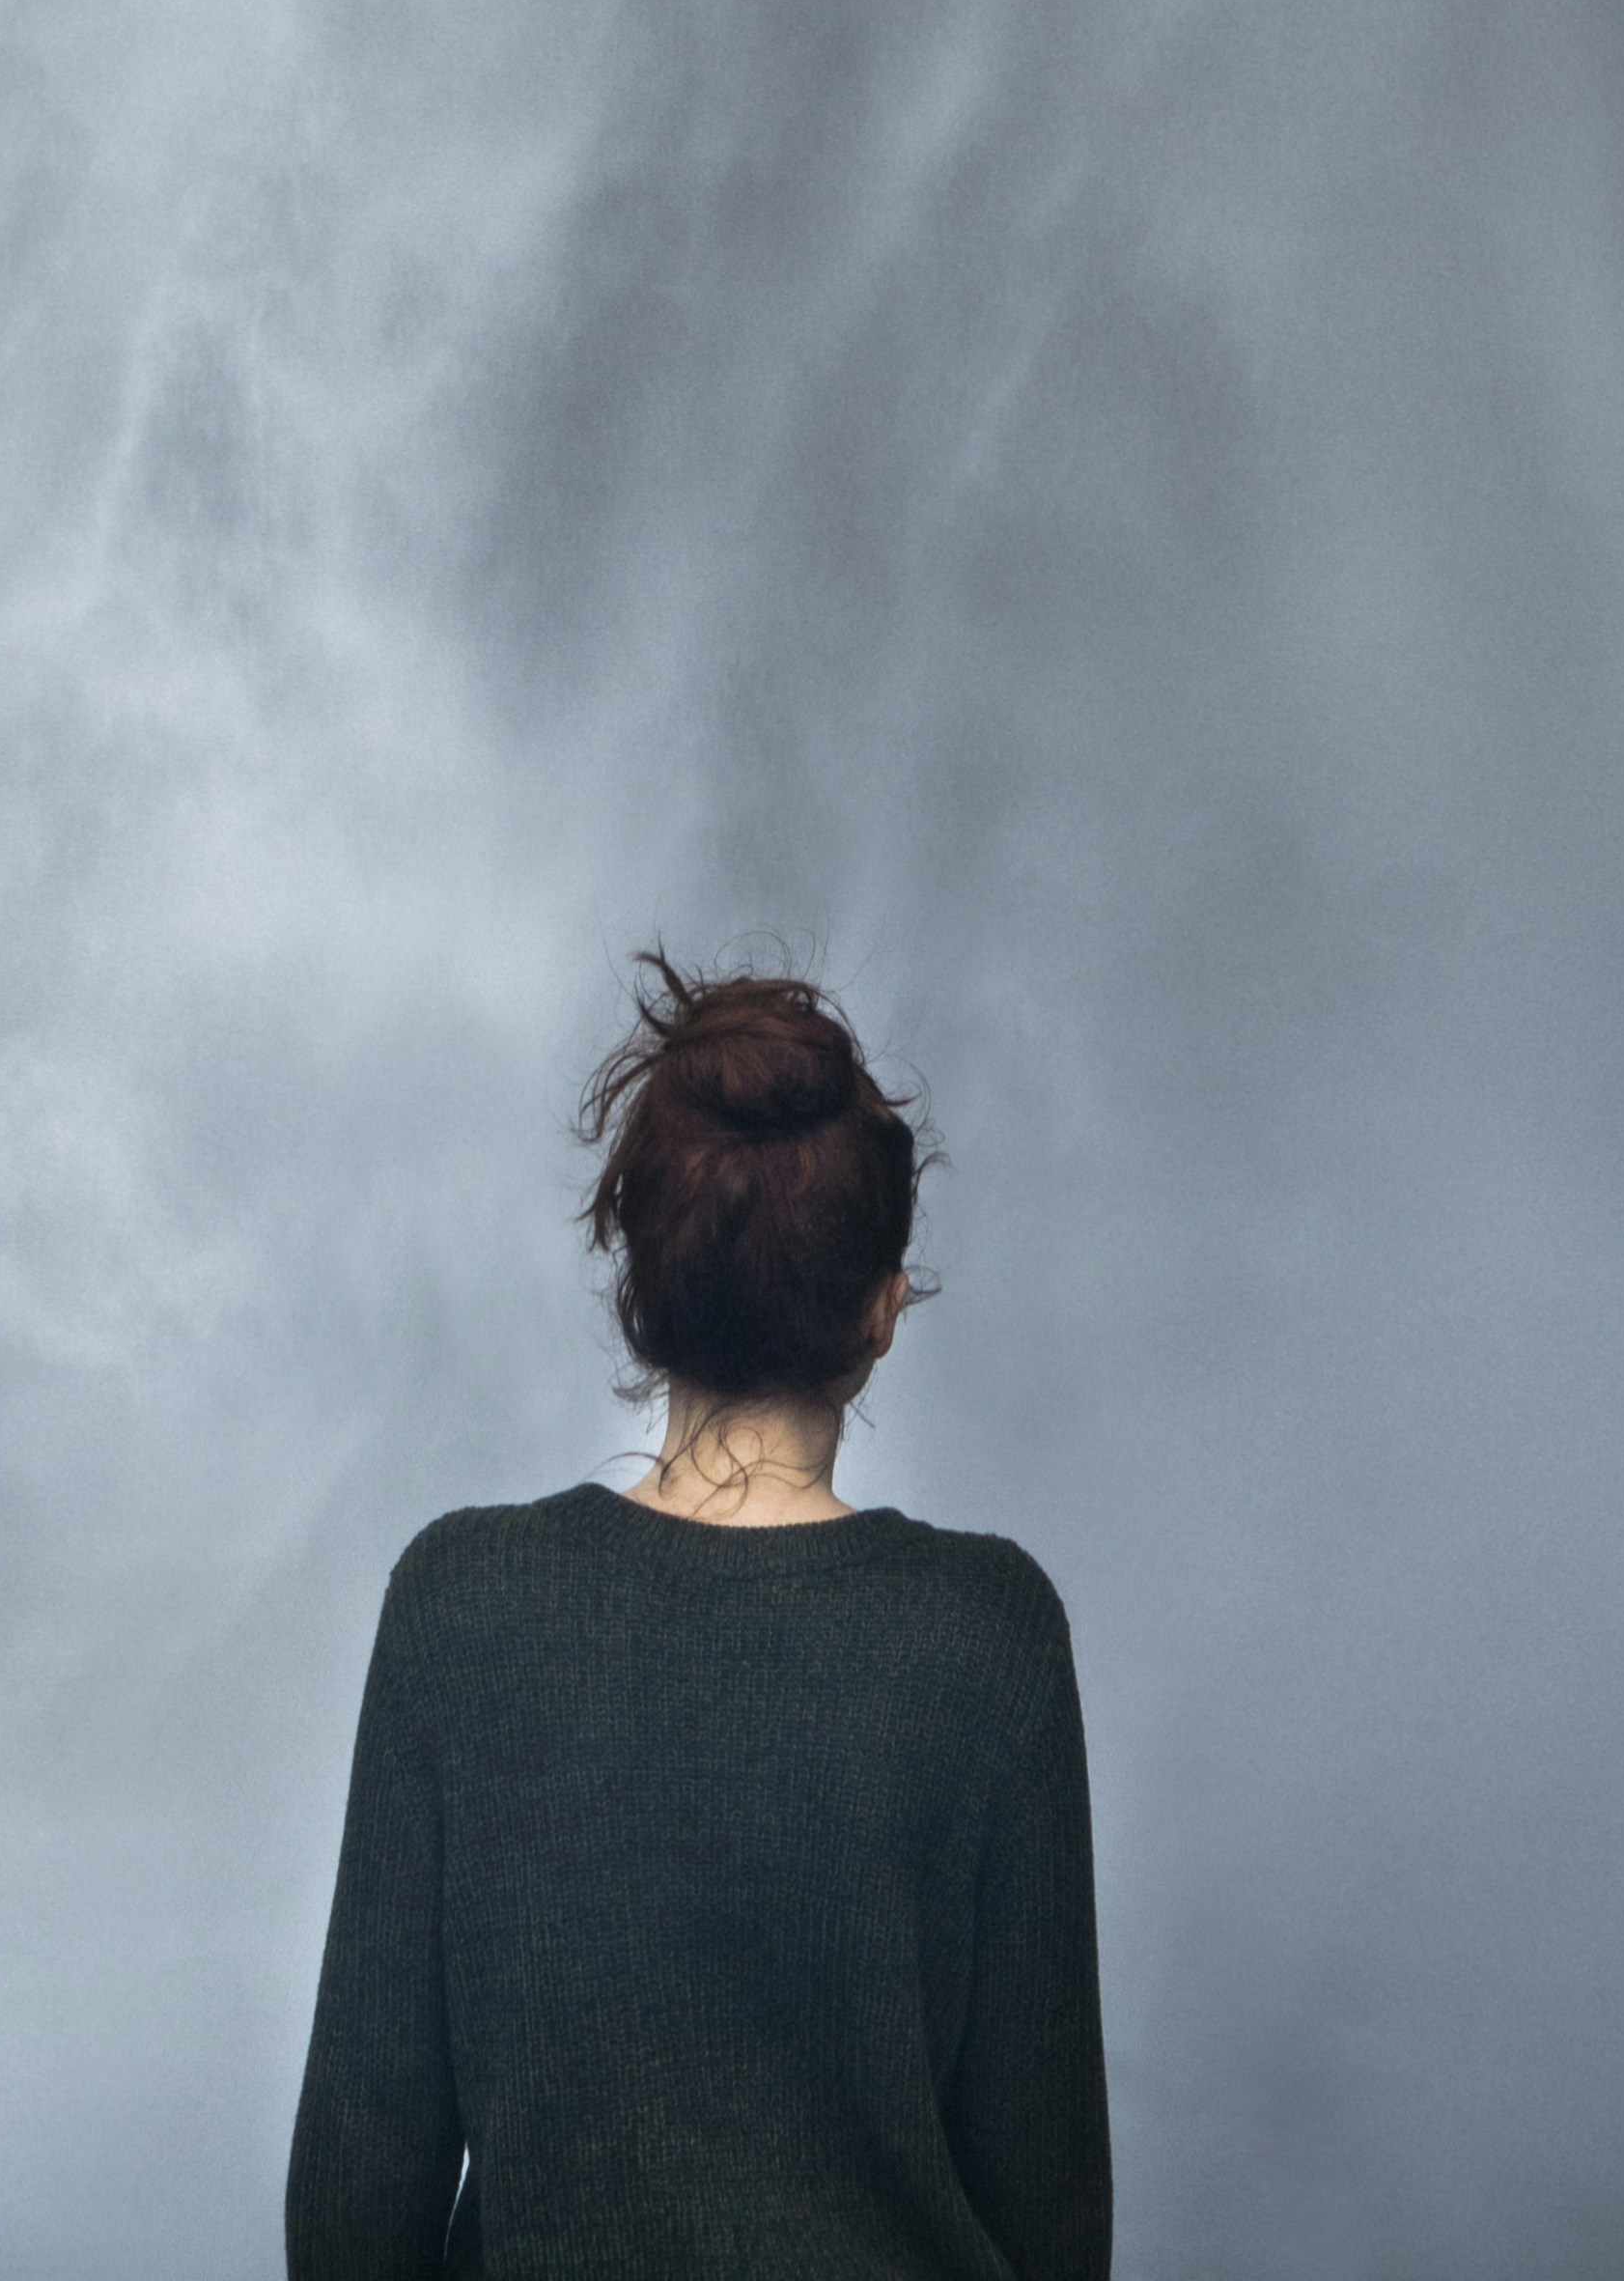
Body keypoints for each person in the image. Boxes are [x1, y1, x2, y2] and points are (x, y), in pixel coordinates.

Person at [283, 955, 1111, 2281]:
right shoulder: (988, 1637)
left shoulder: (460, 1607)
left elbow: (357, 2199)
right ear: (884, 1310)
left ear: (637, 1284)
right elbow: (1053, 2213)